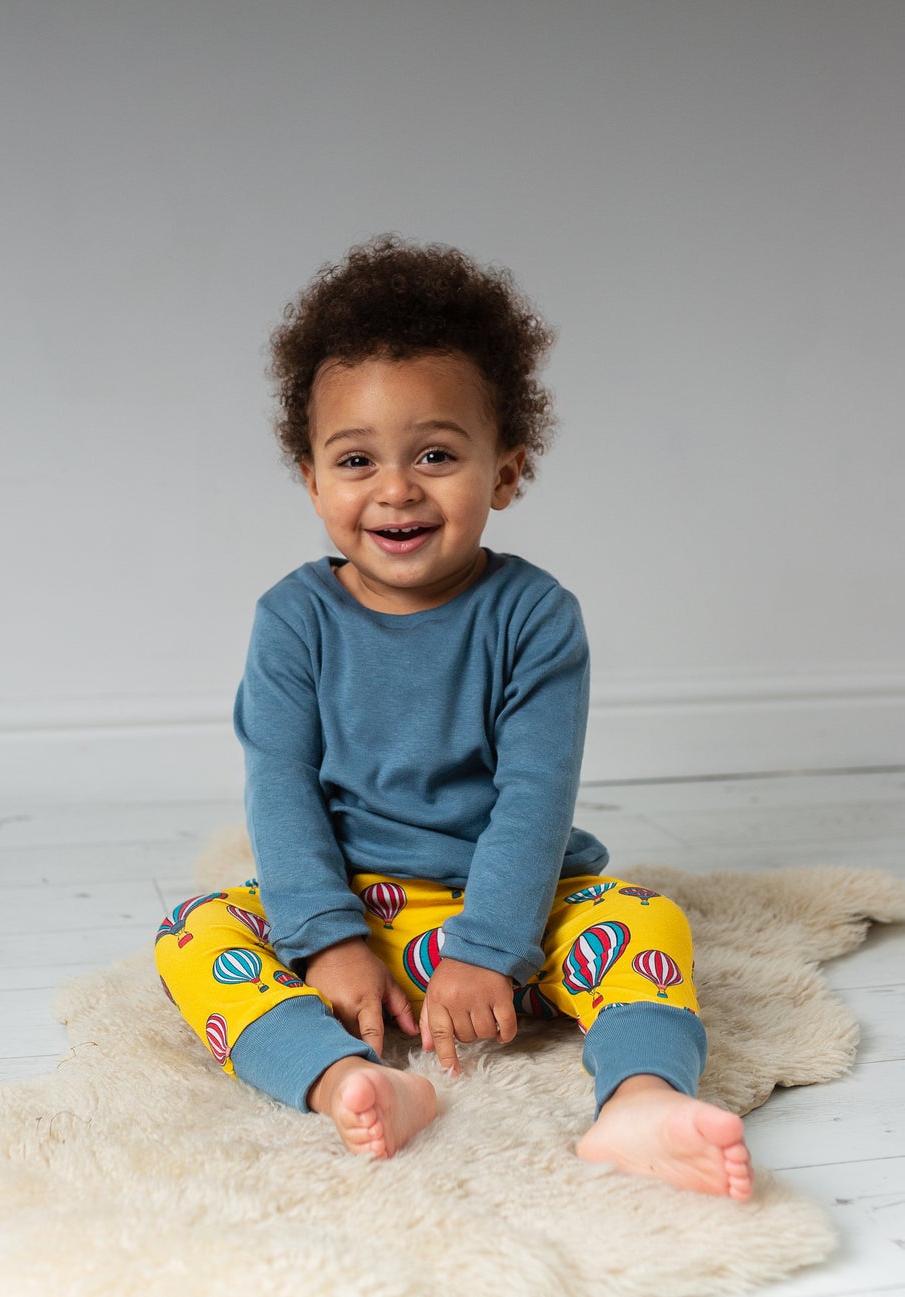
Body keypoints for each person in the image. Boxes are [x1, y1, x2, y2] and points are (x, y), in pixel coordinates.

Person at [155, 235, 753, 1199]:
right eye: (357, 459)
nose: (396, 488)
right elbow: (280, 782)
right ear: (312, 479)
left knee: (647, 920)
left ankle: (641, 1096)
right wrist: (328, 940)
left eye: (436, 453)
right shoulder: (294, 620)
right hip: (360, 906)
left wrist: (487, 951)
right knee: (194, 930)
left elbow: (534, 797)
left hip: (507, 909)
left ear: (506, 472)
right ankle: (344, 1075)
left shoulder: (534, 615)